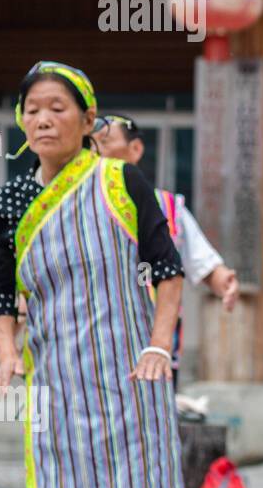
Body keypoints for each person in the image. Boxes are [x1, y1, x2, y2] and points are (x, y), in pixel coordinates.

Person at [0, 61, 193, 488]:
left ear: (88, 119)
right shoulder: (12, 199)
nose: (44, 121)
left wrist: (159, 345)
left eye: (58, 108)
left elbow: (167, 268)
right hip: (57, 379)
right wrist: (8, 353)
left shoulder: (120, 181)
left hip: (129, 376)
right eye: (32, 111)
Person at [92, 113, 239, 384]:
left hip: (154, 344)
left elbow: (200, 260)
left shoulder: (168, 206)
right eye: (89, 142)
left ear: (135, 150)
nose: (95, 149)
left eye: (104, 140)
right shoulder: (78, 202)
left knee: (150, 419)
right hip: (91, 341)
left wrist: (221, 280)